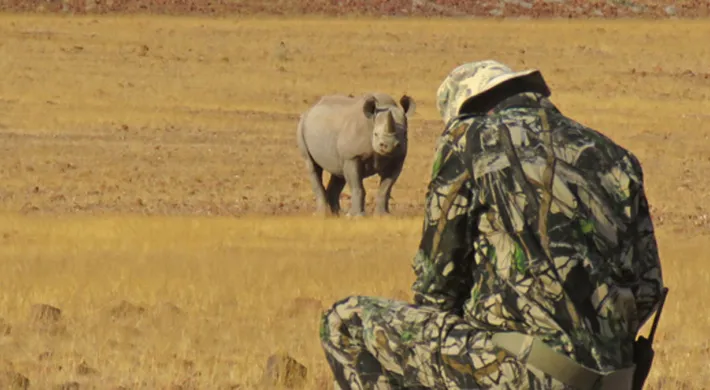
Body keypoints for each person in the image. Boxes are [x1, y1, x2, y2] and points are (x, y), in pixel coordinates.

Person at [318, 60, 666, 389]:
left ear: (467, 111)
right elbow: (648, 290)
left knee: (344, 321)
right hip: (611, 381)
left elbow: (437, 287)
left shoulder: (469, 139)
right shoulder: (616, 156)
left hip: (517, 373)